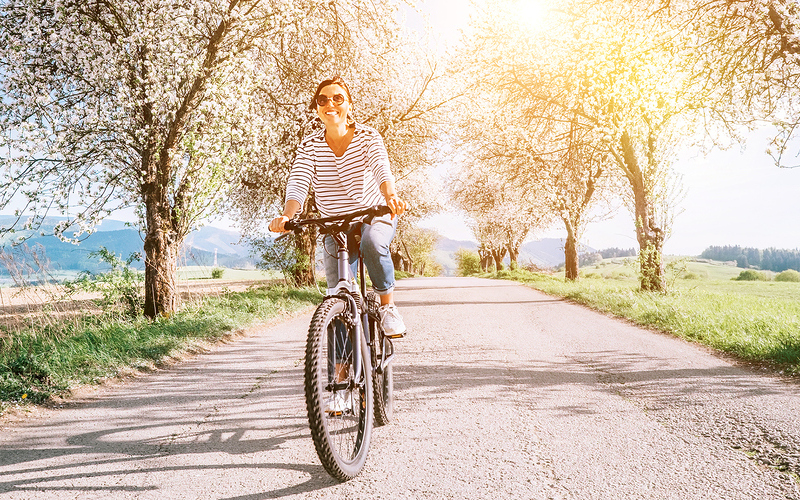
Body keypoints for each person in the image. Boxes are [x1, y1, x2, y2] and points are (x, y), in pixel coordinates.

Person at [269, 76, 408, 338]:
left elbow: (381, 168)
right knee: (338, 294)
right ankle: (341, 372)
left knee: (373, 242)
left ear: (349, 106)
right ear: (316, 108)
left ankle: (388, 308)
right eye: (322, 100)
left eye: (337, 98)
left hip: (374, 212)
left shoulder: (368, 136)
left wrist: (390, 196)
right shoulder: (309, 146)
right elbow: (299, 181)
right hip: (334, 223)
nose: (329, 104)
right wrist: (287, 215)